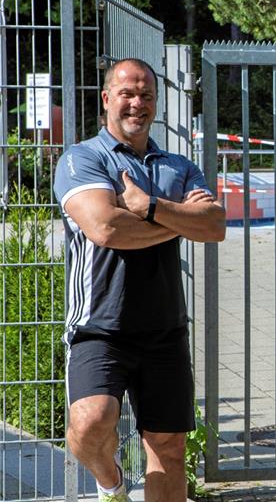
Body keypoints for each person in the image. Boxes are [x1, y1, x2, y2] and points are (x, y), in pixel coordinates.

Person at [53, 58, 225, 502]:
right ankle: (111, 485)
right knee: (90, 422)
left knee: (168, 448)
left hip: (164, 329)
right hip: (99, 326)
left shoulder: (177, 165)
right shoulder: (83, 158)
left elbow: (214, 226)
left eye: (147, 95)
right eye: (127, 93)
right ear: (107, 99)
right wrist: (180, 219)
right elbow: (106, 228)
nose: (137, 103)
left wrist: (146, 206)